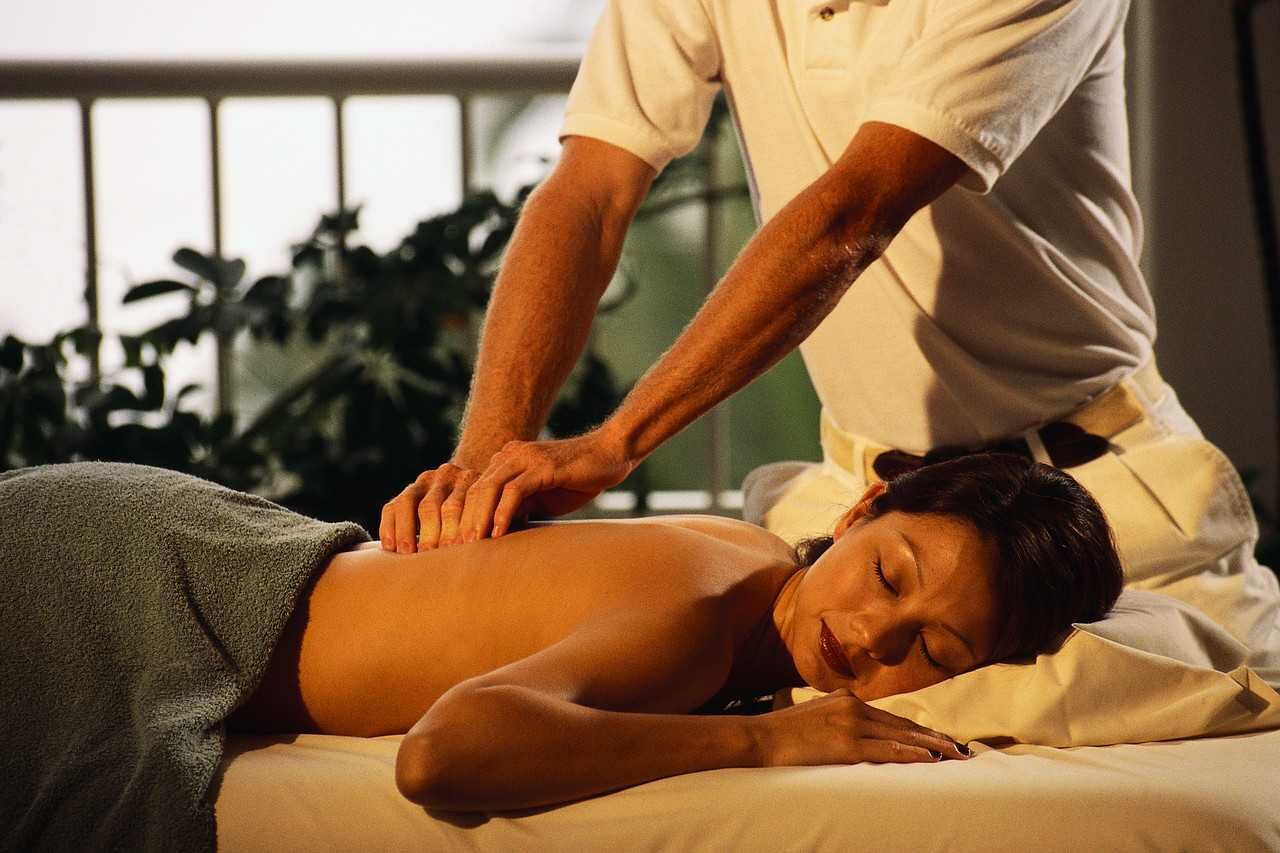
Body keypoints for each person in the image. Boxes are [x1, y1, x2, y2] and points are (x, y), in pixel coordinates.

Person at [380, 0, 1280, 687]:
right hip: (867, 520)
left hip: (1097, 506)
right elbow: (591, 190)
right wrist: (480, 473)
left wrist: (615, 442)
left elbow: (855, 214)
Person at [226, 453, 1123, 811]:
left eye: (934, 652)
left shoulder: (756, 557)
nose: (874, 635)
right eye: (888, 575)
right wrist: (766, 741)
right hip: (198, 593)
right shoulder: (700, 622)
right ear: (858, 511)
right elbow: (442, 754)